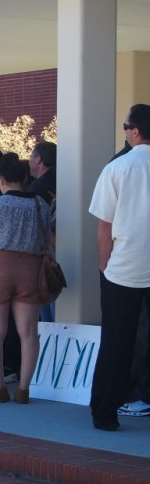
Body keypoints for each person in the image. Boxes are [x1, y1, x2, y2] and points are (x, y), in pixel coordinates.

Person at [88, 104, 150, 431]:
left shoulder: (118, 168)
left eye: (126, 127)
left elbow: (104, 225)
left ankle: (105, 412)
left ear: (135, 131)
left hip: (123, 267)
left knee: (116, 342)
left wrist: (103, 263)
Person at [0, 157, 50, 404]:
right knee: (29, 333)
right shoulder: (41, 204)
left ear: (1, 179)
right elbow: (45, 243)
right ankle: (24, 390)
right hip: (30, 268)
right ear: (25, 179)